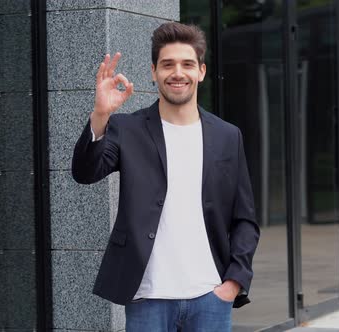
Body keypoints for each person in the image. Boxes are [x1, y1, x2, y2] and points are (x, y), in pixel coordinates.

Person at [71, 22, 260, 331]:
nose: (177, 72)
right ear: (153, 71)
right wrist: (101, 115)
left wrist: (234, 282)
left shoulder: (227, 136)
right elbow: (85, 173)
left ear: (201, 71)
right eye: (167, 64)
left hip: (210, 296)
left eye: (187, 64)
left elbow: (245, 219)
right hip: (148, 297)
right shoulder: (126, 129)